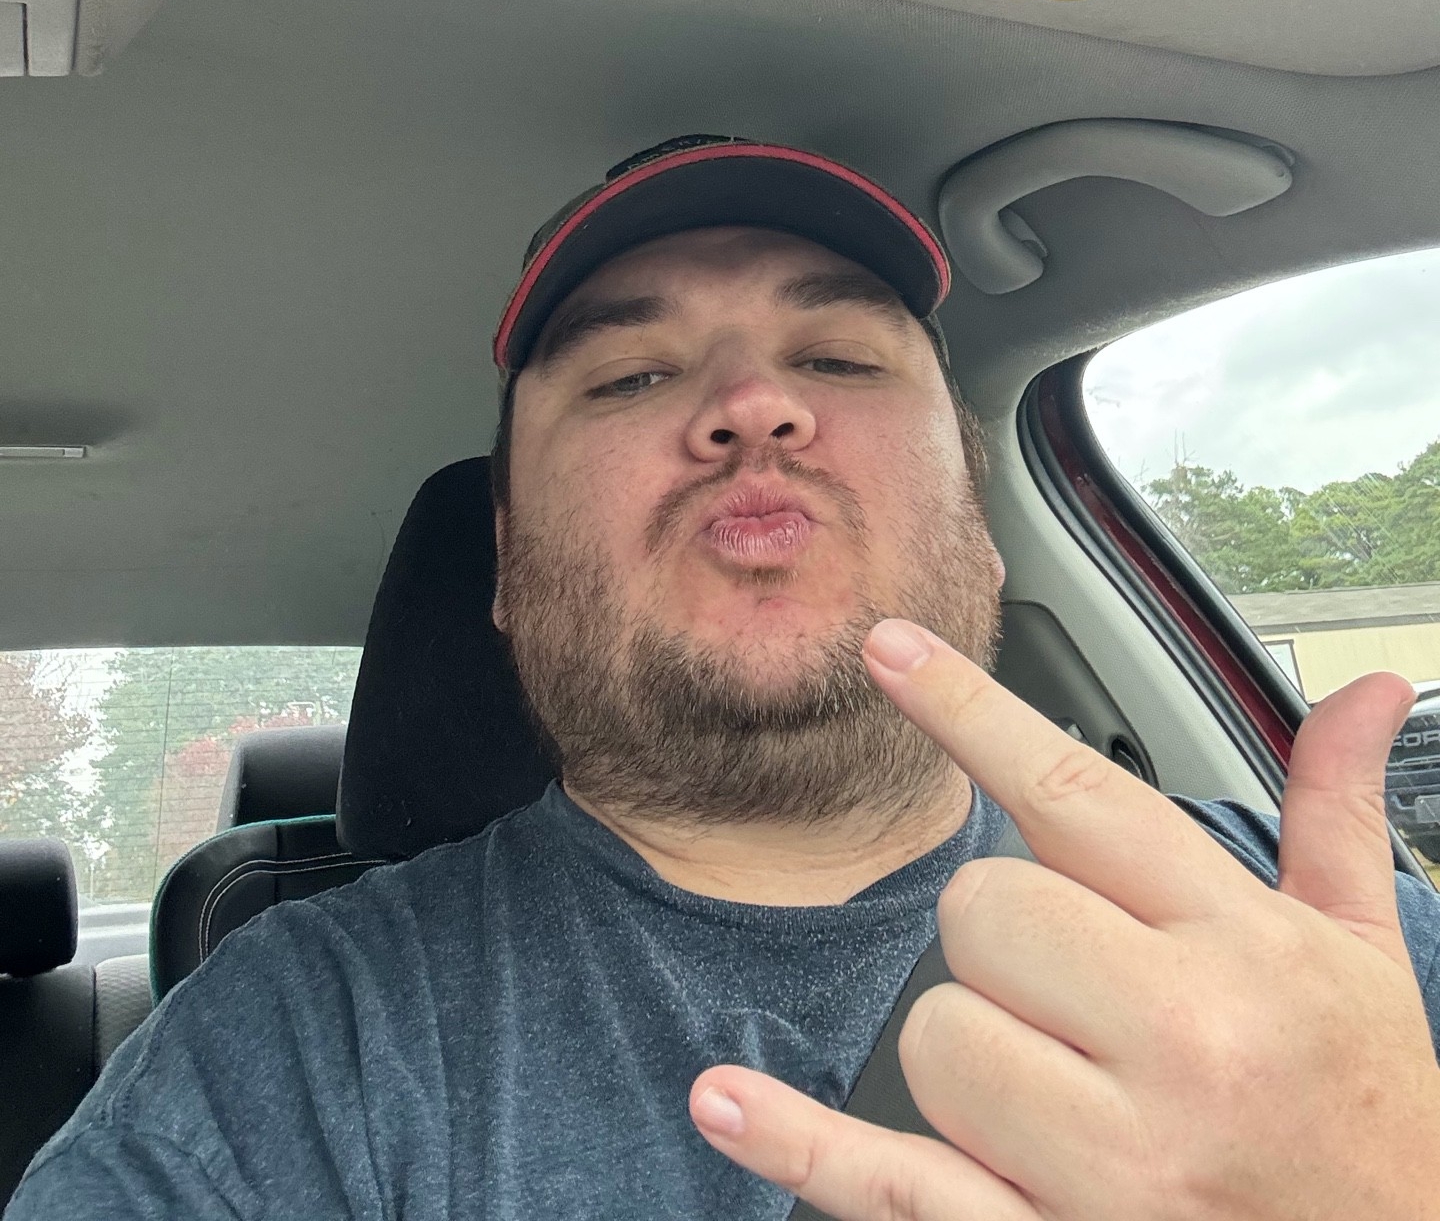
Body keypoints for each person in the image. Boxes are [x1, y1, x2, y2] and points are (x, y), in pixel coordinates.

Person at [10, 133, 1440, 1220]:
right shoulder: (291, 1042)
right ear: (507, 567)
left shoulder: (1318, 941)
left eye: (839, 357)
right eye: (629, 378)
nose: (753, 406)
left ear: (980, 526)